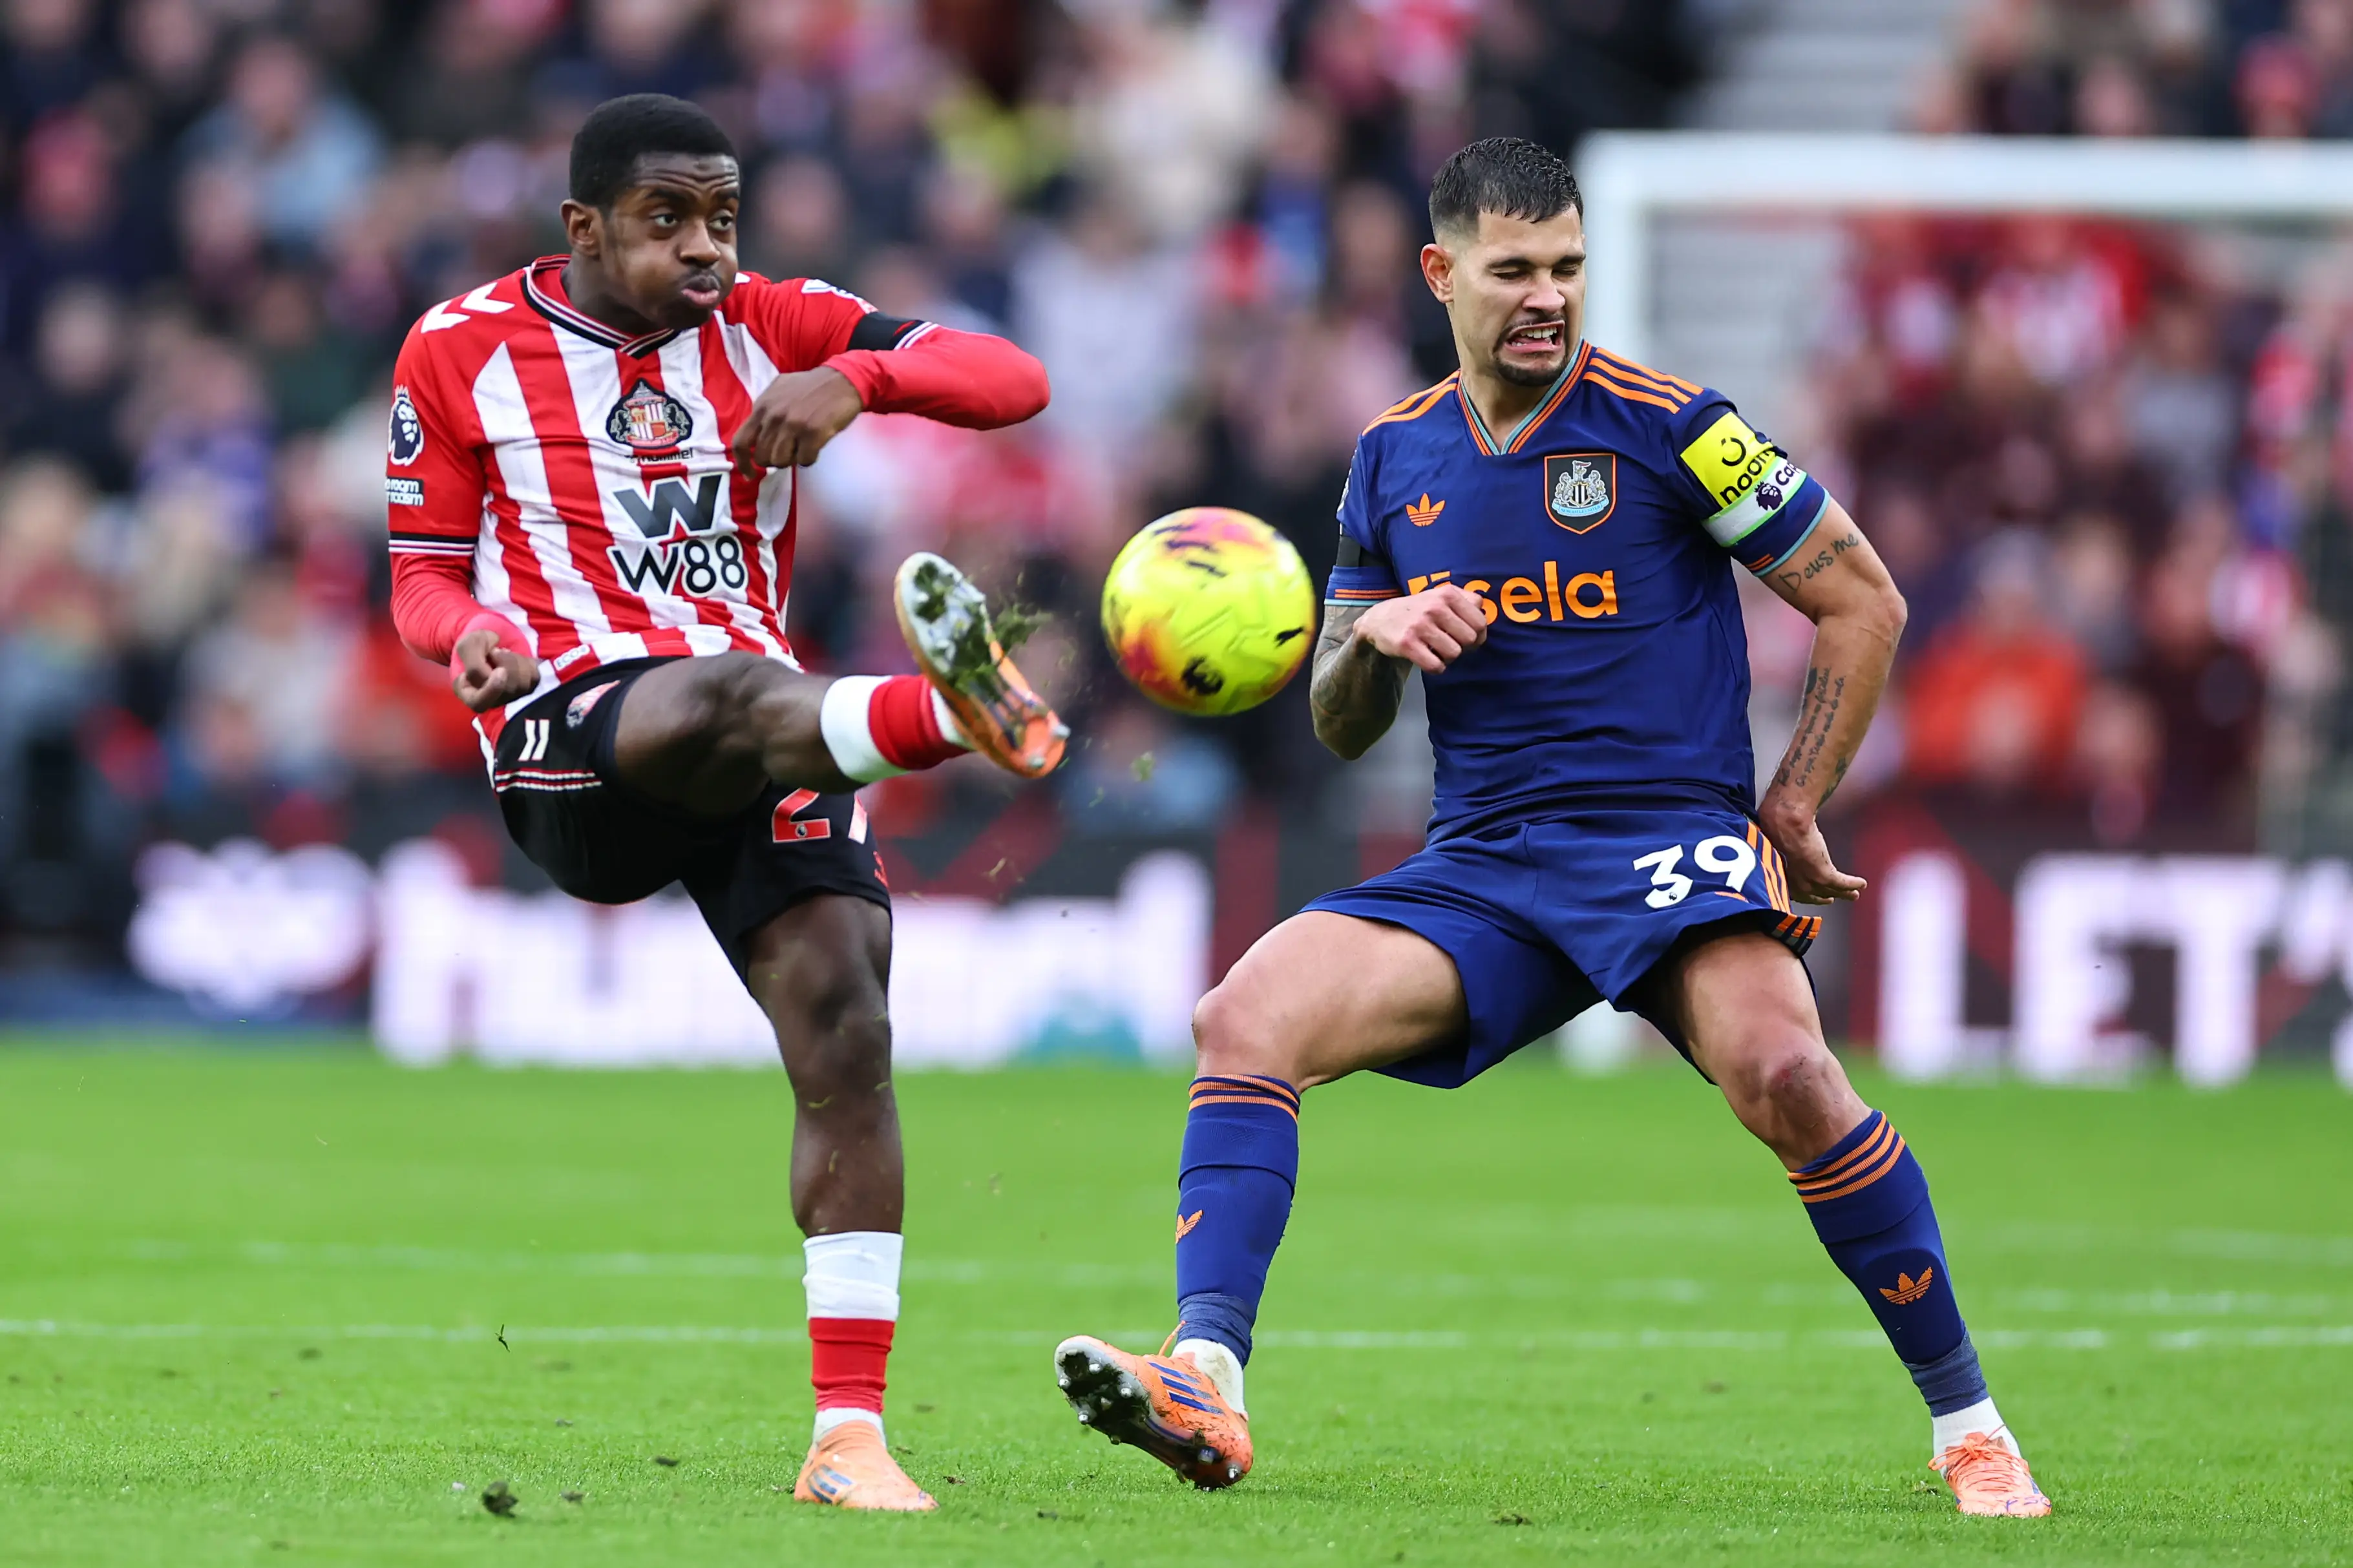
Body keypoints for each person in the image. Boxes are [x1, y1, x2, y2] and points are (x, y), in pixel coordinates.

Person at [1051, 138, 2051, 1520]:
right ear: (1439, 271)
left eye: (1566, 268)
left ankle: (1972, 1432)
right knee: (1243, 1015)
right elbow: (1341, 721)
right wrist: (1374, 642)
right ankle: (1204, 1378)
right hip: (1489, 864)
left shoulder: (1675, 425)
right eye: (1514, 270)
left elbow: (1860, 598)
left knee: (1793, 1081)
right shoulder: (1388, 457)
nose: (1546, 297)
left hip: (1665, 847)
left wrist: (1794, 798)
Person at [385, 94, 1066, 1513]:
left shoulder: (779, 316)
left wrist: (863, 382)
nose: (704, 248)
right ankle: (940, 713)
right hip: (577, 738)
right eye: (666, 220)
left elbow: (1012, 381)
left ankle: (848, 1436)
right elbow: (421, 570)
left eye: (722, 219)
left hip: (773, 741)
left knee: (850, 1027)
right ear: (582, 227)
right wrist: (464, 641)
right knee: (724, 688)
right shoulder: (458, 350)